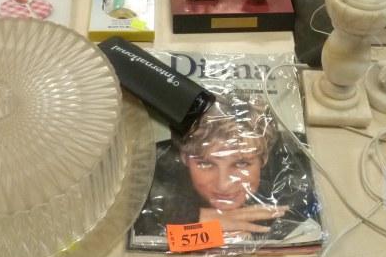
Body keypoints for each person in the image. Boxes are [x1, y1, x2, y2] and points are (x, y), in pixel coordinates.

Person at [131, 98, 320, 242]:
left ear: (264, 159)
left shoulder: (293, 170)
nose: (223, 185)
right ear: (184, 158)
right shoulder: (152, 168)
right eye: (206, 164)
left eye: (242, 164)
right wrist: (190, 219)